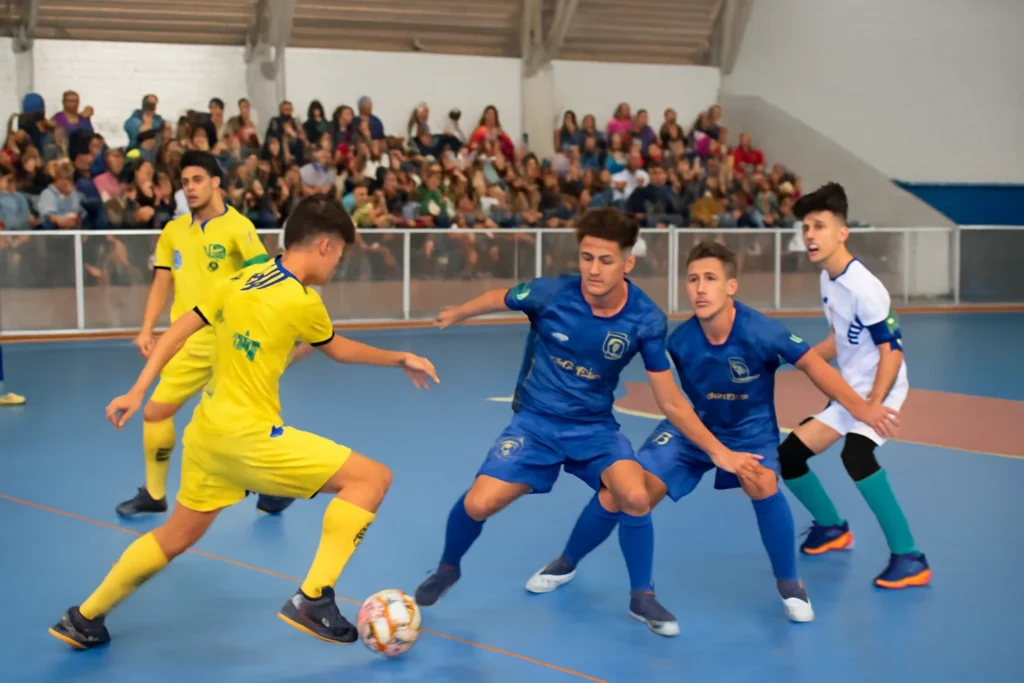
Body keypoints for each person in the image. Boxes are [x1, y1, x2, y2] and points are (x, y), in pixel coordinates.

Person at [49, 195, 440, 649]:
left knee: (175, 535)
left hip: (207, 435)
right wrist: (400, 357)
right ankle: (313, 597)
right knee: (371, 479)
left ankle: (83, 618)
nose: (337, 265)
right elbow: (337, 348)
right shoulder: (302, 300)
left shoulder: (238, 280)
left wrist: (138, 389)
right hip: (248, 438)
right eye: (340, 255)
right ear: (325, 246)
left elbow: (176, 332)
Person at [413, 207, 763, 637]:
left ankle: (642, 596)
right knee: (478, 503)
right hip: (536, 424)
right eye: (586, 257)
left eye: (606, 260)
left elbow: (670, 400)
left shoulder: (646, 319)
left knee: (634, 494)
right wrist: (460, 312)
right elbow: (500, 297)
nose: (593, 269)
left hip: (594, 429)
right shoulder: (551, 294)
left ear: (627, 263)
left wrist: (718, 451)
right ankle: (448, 569)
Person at [524, 241, 900, 622]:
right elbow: (666, 394)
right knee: (623, 492)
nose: (700, 289)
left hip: (749, 432)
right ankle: (566, 562)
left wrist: (862, 408)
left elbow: (815, 367)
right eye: (693, 280)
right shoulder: (679, 342)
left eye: (710, 279)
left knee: (762, 482)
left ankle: (790, 585)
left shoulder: (761, 331)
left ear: (731, 286)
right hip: (693, 431)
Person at [115, 150, 294, 517]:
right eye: (184, 182)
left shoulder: (239, 227)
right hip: (186, 343)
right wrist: (146, 329)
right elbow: (161, 282)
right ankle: (154, 495)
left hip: (230, 343)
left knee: (241, 423)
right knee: (155, 413)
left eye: (197, 180)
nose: (190, 188)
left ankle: (275, 488)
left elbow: (263, 283)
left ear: (216, 182)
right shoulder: (173, 231)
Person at [778, 182, 930, 589]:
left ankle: (910, 557)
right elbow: (839, 340)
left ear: (842, 232)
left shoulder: (865, 287)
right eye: (806, 228)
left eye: (819, 226)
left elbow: (892, 351)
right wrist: (797, 359)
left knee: (857, 455)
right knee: (789, 456)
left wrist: (873, 406)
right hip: (850, 390)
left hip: (882, 387)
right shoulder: (828, 280)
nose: (810, 235)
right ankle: (832, 528)